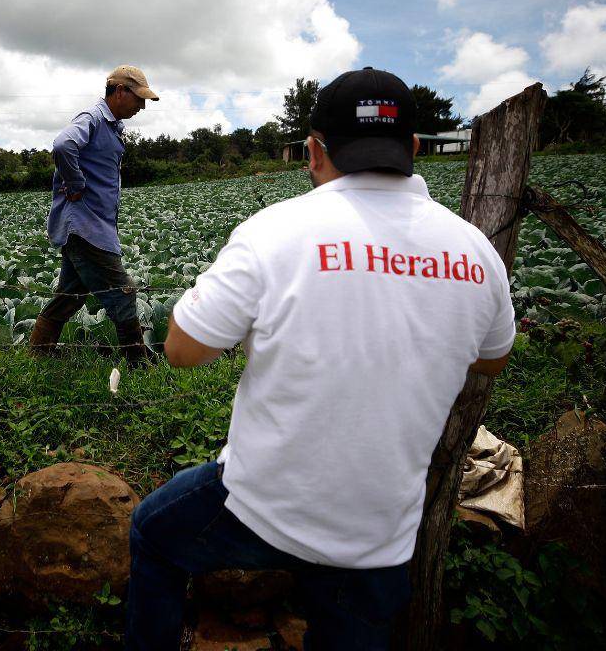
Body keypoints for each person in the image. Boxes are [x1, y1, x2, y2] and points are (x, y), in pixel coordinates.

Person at [125, 67, 516, 650]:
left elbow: (181, 351)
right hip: (380, 533)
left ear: (314, 151)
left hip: (263, 509)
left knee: (153, 534)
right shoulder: (476, 252)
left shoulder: (275, 231)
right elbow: (490, 362)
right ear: (413, 149)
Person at [29, 65, 160, 366]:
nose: (141, 106)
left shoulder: (111, 126)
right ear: (120, 92)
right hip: (85, 227)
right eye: (138, 98)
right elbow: (63, 145)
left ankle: (38, 352)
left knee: (70, 295)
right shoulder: (92, 119)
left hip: (92, 225)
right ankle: (138, 363)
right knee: (123, 292)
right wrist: (75, 183)